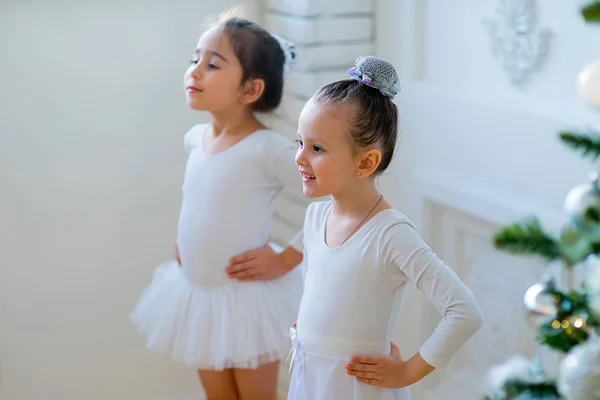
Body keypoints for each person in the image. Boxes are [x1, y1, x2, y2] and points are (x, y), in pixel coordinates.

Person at [229, 56, 484, 399]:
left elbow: (464, 311)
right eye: (300, 142)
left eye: (317, 148)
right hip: (311, 378)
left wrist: (408, 371)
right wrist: (311, 330)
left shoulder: (391, 234)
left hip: (357, 388)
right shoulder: (316, 217)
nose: (300, 158)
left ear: (366, 162)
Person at [130, 10, 307, 400]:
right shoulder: (195, 139)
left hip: (246, 301)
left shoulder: (269, 150)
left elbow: (331, 203)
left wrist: (286, 258)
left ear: (250, 90)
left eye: (212, 65)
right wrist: (189, 243)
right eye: (194, 59)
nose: (194, 71)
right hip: (197, 294)